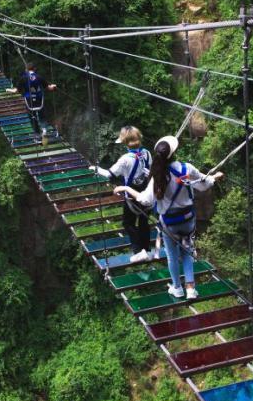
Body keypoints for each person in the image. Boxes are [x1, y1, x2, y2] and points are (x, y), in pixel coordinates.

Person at [114, 136, 223, 300]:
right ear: (175, 152)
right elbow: (204, 183)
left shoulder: (157, 176)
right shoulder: (187, 168)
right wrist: (215, 177)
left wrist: (126, 188)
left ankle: (177, 288)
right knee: (187, 253)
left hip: (169, 224)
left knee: (172, 257)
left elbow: (145, 200)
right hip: (188, 220)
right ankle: (191, 289)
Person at [90, 126, 153, 263]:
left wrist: (96, 169)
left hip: (131, 196)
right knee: (144, 221)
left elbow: (109, 174)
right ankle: (147, 250)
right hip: (147, 194)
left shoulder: (125, 159)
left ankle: (138, 251)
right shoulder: (147, 153)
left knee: (128, 223)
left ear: (125, 142)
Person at [6, 62, 56, 131]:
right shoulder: (39, 77)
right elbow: (49, 88)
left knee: (32, 116)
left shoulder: (23, 78)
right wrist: (53, 86)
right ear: (34, 69)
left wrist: (8, 90)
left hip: (29, 99)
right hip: (39, 98)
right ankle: (44, 129)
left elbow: (16, 91)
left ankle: (37, 134)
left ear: (26, 69)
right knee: (41, 115)